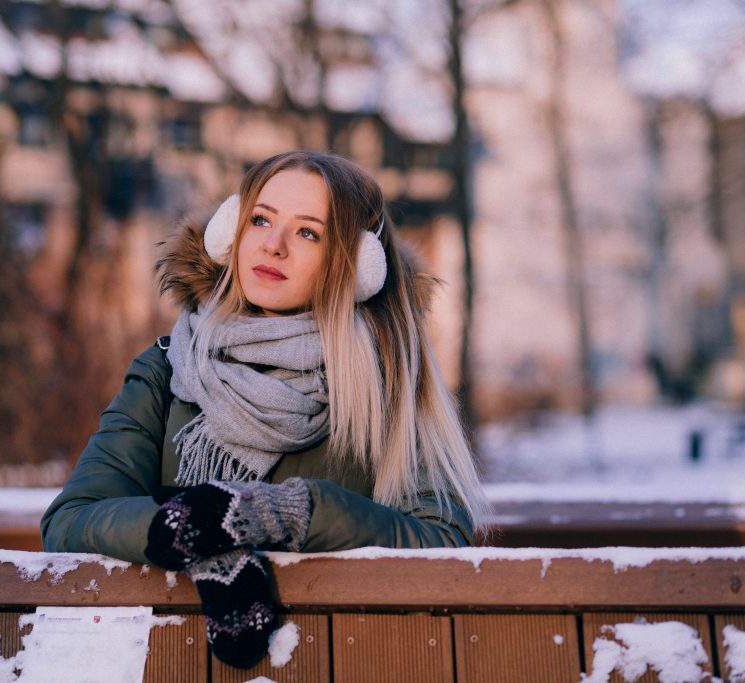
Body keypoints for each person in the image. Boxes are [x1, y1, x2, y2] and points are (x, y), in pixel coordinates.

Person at [41, 150, 489, 669]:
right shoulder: (167, 370)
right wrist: (195, 533)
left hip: (336, 664)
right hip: (173, 666)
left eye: (307, 233)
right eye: (260, 220)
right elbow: (73, 518)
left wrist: (287, 513)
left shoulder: (386, 381)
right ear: (230, 233)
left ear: (356, 265)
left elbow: (441, 539)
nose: (272, 245)